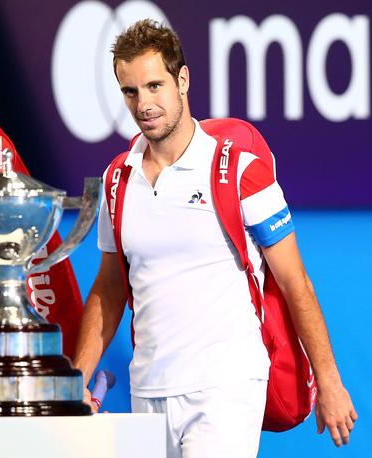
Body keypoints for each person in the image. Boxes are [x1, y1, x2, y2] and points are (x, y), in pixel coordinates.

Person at [72, 19, 357, 457]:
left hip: (226, 388)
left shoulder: (243, 171)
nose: (143, 103)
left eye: (154, 86)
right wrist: (76, 379)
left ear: (182, 80)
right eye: (131, 92)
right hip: (147, 391)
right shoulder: (116, 179)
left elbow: (295, 281)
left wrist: (330, 382)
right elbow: (109, 288)